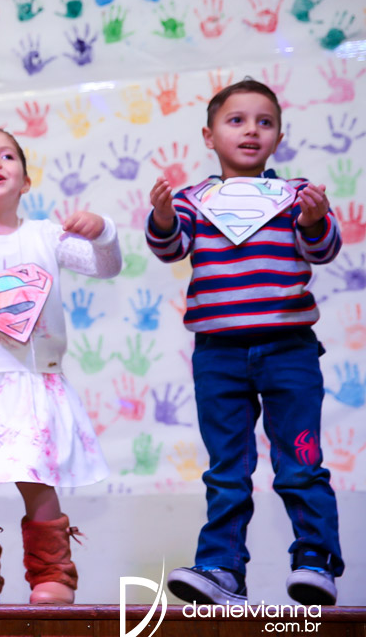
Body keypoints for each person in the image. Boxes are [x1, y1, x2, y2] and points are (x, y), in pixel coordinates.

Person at [146, 78, 343, 606]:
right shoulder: (193, 200)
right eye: (236, 120)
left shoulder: (295, 195)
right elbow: (170, 247)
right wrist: (163, 217)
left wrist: (314, 219)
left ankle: (316, 560)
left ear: (279, 136)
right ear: (209, 136)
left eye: (265, 122)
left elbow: (324, 250)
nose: (251, 130)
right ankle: (222, 569)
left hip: (289, 351)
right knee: (227, 470)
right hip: (218, 356)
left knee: (301, 462)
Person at [0, 128, 120, 605]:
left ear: (26, 181)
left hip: (33, 381)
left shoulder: (46, 237)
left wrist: (104, 232)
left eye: (7, 156)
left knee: (35, 477)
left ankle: (53, 575)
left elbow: (106, 266)